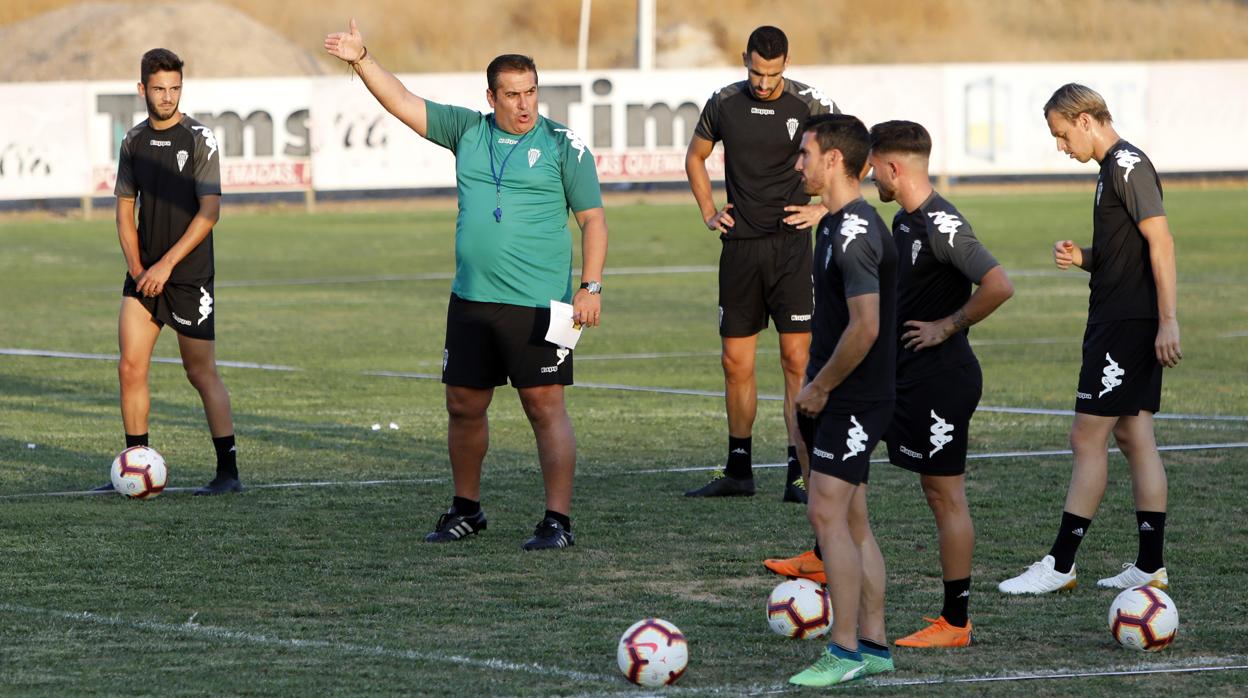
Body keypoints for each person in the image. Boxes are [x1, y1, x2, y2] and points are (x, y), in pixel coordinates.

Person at [324, 20, 608, 551]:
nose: (524, 105)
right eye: (512, 95)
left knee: (545, 406)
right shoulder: (467, 131)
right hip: (473, 300)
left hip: (542, 306)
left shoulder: (563, 145)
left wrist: (590, 287)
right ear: (491, 96)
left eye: (531, 93)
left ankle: (557, 521)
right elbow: (403, 101)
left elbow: (593, 219)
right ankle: (467, 509)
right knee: (463, 403)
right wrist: (362, 60)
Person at [999, 83, 1180, 594]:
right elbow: (1128, 253)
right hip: (1122, 319)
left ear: (1085, 120)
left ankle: (1059, 565)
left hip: (1124, 325)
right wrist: (1084, 256)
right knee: (1133, 436)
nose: (1061, 147)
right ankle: (1150, 565)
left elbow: (1161, 241)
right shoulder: (1111, 170)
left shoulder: (1125, 164)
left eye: (1061, 135)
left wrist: (1169, 321)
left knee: (1087, 438)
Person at [870, 121, 1013, 645]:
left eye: (873, 166)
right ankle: (823, 558)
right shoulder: (903, 220)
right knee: (839, 458)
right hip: (903, 378)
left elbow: (999, 284)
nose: (869, 175)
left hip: (941, 383)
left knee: (944, 496)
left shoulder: (941, 223)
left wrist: (947, 325)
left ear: (893, 167)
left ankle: (956, 622)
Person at [683, 26, 838, 502]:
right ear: (744, 59)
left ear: (785, 65)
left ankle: (799, 472)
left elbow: (855, 158)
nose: (764, 82)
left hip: (792, 248)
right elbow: (696, 155)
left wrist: (822, 208)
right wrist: (709, 211)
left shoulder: (811, 103)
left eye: (772, 74)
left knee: (797, 360)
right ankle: (739, 469)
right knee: (735, 362)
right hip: (741, 249)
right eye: (755, 71)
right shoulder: (723, 101)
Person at [99, 47, 241, 496]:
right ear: (142, 89)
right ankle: (134, 464)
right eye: (159, 89)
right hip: (144, 274)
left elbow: (210, 213)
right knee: (129, 367)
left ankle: (228, 472)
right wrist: (139, 267)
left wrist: (165, 265)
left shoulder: (200, 139)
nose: (168, 97)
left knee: (200, 373)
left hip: (188, 274)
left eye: (175, 88)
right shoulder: (133, 142)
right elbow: (124, 213)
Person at [787, 114, 897, 687]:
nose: (798, 163)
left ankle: (845, 650)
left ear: (833, 160)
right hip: (842, 394)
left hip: (854, 397)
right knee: (853, 522)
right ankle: (874, 644)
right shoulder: (832, 224)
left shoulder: (854, 231)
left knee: (826, 512)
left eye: (805, 153)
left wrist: (821, 386)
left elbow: (866, 327)